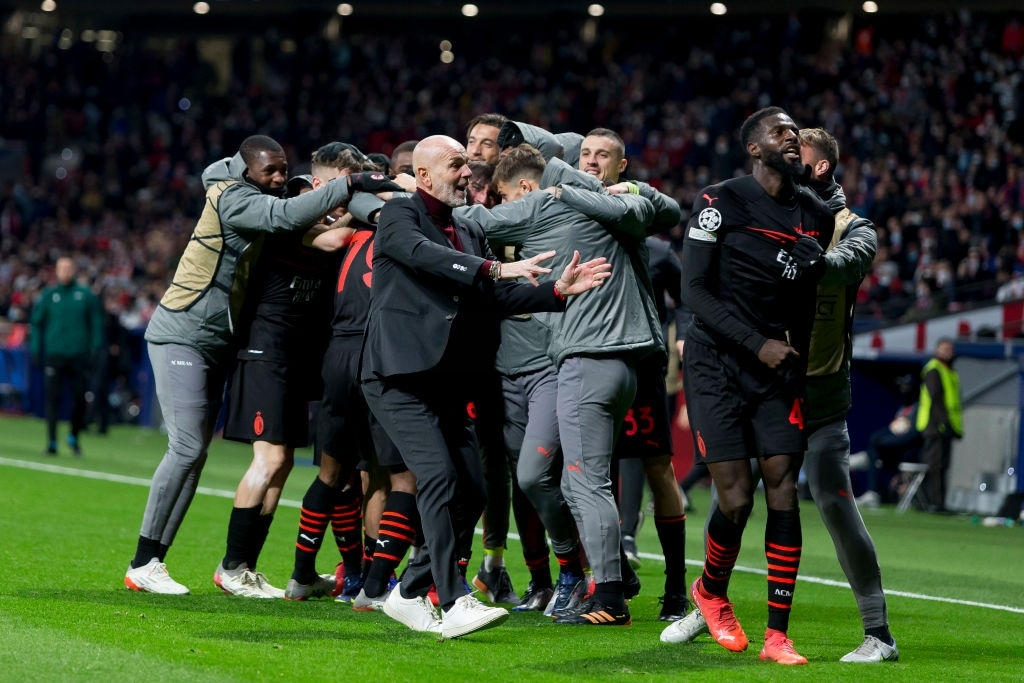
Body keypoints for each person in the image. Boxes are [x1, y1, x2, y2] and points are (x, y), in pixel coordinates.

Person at [123, 134, 401, 595]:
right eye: (269, 170)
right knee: (191, 449)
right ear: (247, 169)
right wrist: (360, 187)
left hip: (224, 343)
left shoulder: (258, 192)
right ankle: (147, 560)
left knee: (218, 457)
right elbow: (298, 222)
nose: (277, 178)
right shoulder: (237, 199)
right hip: (186, 333)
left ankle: (217, 567)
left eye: (281, 169)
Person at [361, 134, 610, 639]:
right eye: (456, 165)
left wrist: (555, 291)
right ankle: (452, 599)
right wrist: (495, 267)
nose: (467, 173)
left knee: (472, 489)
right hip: (399, 377)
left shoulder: (467, 230)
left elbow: (494, 294)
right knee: (437, 478)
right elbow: (425, 257)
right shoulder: (399, 217)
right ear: (425, 176)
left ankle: (408, 592)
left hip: (447, 382)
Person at [462, 138, 657, 624]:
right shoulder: (613, 210)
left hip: (584, 360)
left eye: (508, 196)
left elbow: (472, 220)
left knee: (584, 483)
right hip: (620, 363)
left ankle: (608, 593)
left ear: (527, 188)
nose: (506, 206)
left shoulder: (541, 203)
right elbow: (664, 206)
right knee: (572, 483)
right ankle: (612, 577)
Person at [676, 107, 834, 664]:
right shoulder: (721, 200)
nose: (790, 138)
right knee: (736, 498)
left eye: (795, 132)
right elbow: (693, 291)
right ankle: (712, 593)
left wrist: (802, 355)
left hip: (778, 366)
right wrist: (756, 343)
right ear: (754, 148)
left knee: (783, 488)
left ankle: (777, 635)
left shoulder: (813, 212)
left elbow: (809, 301)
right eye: (779, 132)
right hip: (718, 361)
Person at [214, 143, 388, 599]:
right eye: (335, 186)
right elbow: (332, 240)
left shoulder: (318, 217)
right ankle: (232, 566)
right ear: (316, 186)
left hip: (295, 357)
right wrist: (360, 207)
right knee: (268, 458)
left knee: (284, 461)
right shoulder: (288, 216)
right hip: (265, 351)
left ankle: (247, 568)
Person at [578, 127, 691, 623]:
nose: (591, 161)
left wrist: (683, 336)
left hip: (642, 364)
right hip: (582, 357)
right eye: (585, 153)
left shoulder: (654, 242)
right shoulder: (566, 218)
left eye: (603, 155)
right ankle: (605, 575)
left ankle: (674, 589)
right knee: (585, 473)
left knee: (656, 469)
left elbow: (688, 298)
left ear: (621, 166)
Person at [30, 256, 103, 456]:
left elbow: (97, 322)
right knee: (52, 399)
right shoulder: (49, 294)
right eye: (61, 268)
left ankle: (74, 436)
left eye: (69, 268)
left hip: (79, 356)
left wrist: (96, 348)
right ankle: (52, 442)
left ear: (74, 270)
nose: (65, 272)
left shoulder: (85, 295)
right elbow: (36, 322)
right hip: (55, 355)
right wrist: (35, 348)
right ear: (56, 270)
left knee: (79, 399)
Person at [917, 337, 962, 512]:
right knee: (935, 465)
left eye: (950, 349)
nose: (948, 353)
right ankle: (933, 502)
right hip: (935, 426)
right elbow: (936, 399)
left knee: (942, 465)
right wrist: (946, 423)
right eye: (945, 349)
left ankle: (938, 502)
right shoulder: (934, 369)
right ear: (937, 350)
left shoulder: (949, 371)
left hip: (943, 426)